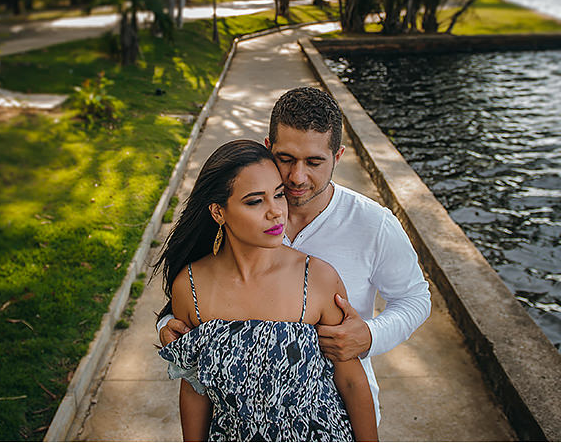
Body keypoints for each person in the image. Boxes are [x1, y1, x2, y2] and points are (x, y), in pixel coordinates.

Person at [160, 87, 432, 424]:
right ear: (268, 147)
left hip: (341, 411)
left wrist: (370, 336)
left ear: (338, 156)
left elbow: (415, 298)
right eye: (286, 159)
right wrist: (167, 326)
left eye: (314, 162)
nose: (296, 177)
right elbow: (200, 286)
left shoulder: (373, 224)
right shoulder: (243, 208)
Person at [153, 139, 378, 442]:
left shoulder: (319, 279)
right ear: (219, 212)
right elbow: (196, 387)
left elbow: (350, 381)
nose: (275, 212)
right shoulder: (190, 287)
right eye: (255, 201)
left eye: (279, 194)